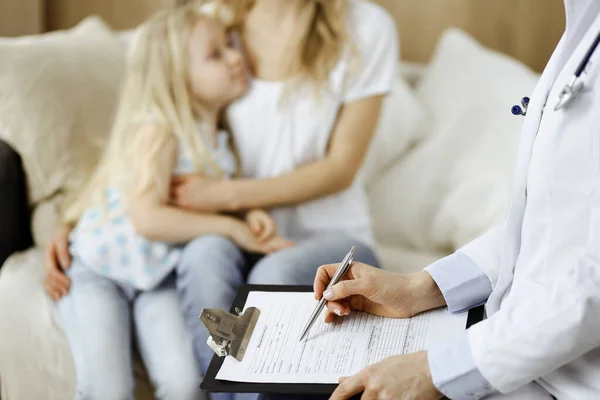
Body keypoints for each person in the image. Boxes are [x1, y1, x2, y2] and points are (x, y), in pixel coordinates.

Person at [260, 1, 600, 399]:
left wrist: (439, 370)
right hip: (525, 358)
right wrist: (420, 286)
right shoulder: (583, 28)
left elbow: (591, 285)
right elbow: (544, 223)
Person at [51, 5, 291, 399]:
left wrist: (248, 212)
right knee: (108, 389)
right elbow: (148, 218)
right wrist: (232, 227)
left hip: (158, 277)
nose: (236, 57)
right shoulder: (160, 129)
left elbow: (205, 200)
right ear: (177, 76)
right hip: (102, 272)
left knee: (184, 385)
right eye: (217, 54)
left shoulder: (221, 141)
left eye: (231, 44)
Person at [169, 0, 398, 386]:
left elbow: (340, 169)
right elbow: (152, 115)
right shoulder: (212, 23)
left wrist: (226, 195)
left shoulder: (367, 27)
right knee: (202, 257)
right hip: (238, 230)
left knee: (268, 279)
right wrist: (74, 219)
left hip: (331, 237)